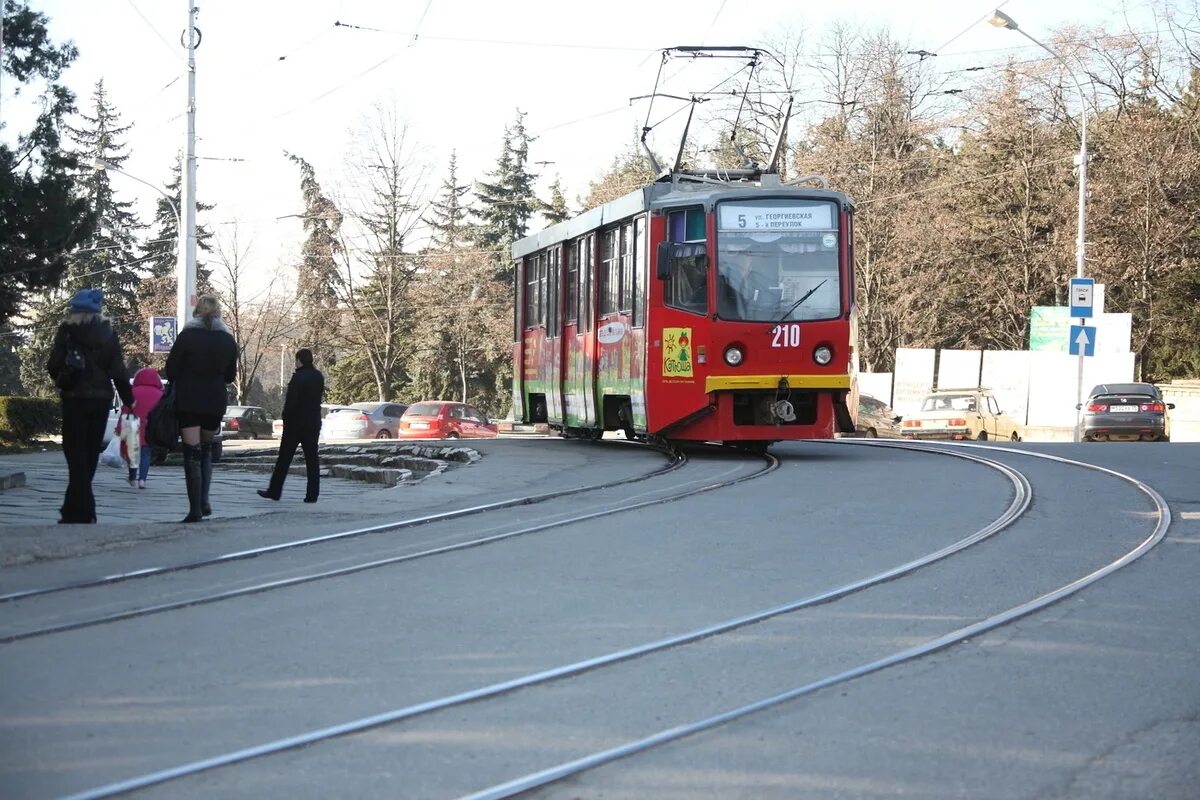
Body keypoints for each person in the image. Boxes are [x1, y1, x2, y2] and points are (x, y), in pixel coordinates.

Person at [45, 288, 135, 524]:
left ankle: (80, 509)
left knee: (74, 452)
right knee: (90, 451)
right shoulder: (108, 334)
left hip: (74, 398)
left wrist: (63, 377)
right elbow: (118, 370)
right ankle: (78, 509)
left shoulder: (66, 331)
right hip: (100, 400)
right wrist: (129, 399)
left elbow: (53, 364)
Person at [165, 294, 239, 523]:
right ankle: (205, 499)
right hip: (214, 402)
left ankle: (194, 508)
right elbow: (229, 376)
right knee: (206, 450)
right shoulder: (227, 341)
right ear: (218, 313)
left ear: (197, 312)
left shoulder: (187, 337)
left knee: (192, 453)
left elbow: (171, 370)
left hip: (189, 401)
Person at [258, 348, 324, 503]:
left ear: (299, 360)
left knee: (284, 459)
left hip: (295, 424)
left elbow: (291, 403)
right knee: (312, 459)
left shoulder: (298, 378)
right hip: (313, 422)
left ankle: (274, 491)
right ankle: (312, 495)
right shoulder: (318, 376)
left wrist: (286, 418)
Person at [117, 367, 164, 489]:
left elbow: (126, 410)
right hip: (150, 427)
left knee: (132, 453)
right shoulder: (160, 395)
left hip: (132, 424)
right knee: (146, 453)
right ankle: (142, 480)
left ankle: (132, 478)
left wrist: (119, 427)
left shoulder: (133, 392)